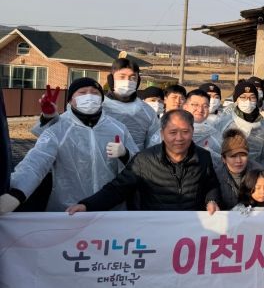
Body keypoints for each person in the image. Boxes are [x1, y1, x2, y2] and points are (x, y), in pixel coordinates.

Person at [0, 78, 138, 214]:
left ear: (102, 99)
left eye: (95, 93)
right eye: (82, 93)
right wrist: (17, 193)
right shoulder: (58, 129)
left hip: (110, 209)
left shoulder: (118, 128)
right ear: (70, 100)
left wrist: (125, 154)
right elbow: (36, 162)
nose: (89, 96)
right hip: (68, 211)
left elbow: (140, 165)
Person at [66, 109, 222, 214]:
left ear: (192, 132)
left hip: (189, 230)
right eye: (173, 132)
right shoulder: (144, 159)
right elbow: (117, 189)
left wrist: (212, 200)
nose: (179, 138)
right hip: (153, 230)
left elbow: (211, 184)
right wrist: (87, 205)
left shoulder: (203, 157)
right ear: (162, 134)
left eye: (185, 132)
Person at [219, 81, 264, 164]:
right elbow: (219, 151)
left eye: (252, 97)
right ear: (236, 100)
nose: (248, 101)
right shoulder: (225, 123)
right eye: (243, 97)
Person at [216, 129, 264, 210]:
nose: (238, 161)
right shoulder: (216, 176)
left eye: (243, 155)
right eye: (233, 156)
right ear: (223, 159)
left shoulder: (259, 172)